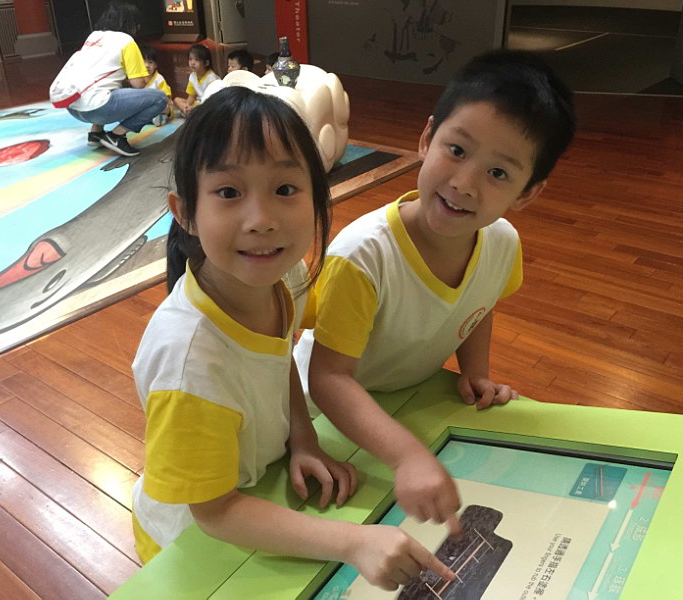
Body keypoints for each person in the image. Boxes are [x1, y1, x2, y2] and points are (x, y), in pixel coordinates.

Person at [131, 87, 457, 591]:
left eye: (285, 189)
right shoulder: (188, 362)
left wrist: (303, 438)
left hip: (257, 490)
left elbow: (279, 354)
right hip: (190, 539)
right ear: (185, 212)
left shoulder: (283, 278)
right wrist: (352, 541)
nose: (262, 220)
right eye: (229, 193)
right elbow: (215, 512)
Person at [295, 50, 577, 534]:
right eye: (457, 150)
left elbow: (479, 304)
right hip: (321, 419)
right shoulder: (362, 256)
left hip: (405, 400)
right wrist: (407, 457)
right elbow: (329, 379)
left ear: (528, 193)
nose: (464, 184)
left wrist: (476, 372)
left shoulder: (502, 243)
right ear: (427, 138)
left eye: (499, 173)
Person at [48, 1, 167, 157]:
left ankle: (96, 133)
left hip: (73, 106)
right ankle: (116, 136)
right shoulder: (127, 41)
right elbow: (138, 84)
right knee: (159, 99)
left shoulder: (94, 36)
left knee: (105, 85)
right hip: (97, 109)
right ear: (131, 23)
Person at [173, 44, 220, 116]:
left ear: (206, 63)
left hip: (208, 105)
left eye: (197, 60)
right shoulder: (192, 76)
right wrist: (187, 107)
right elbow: (191, 97)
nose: (192, 63)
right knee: (176, 100)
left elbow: (212, 101)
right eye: (190, 59)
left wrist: (193, 108)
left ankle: (191, 113)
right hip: (197, 103)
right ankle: (188, 112)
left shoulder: (212, 79)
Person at [139, 44, 174, 126]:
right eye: (143, 62)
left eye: (150, 62)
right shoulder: (137, 79)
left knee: (164, 107)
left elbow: (166, 98)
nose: (147, 66)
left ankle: (158, 118)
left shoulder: (159, 79)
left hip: (159, 106)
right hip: (144, 108)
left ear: (155, 65)